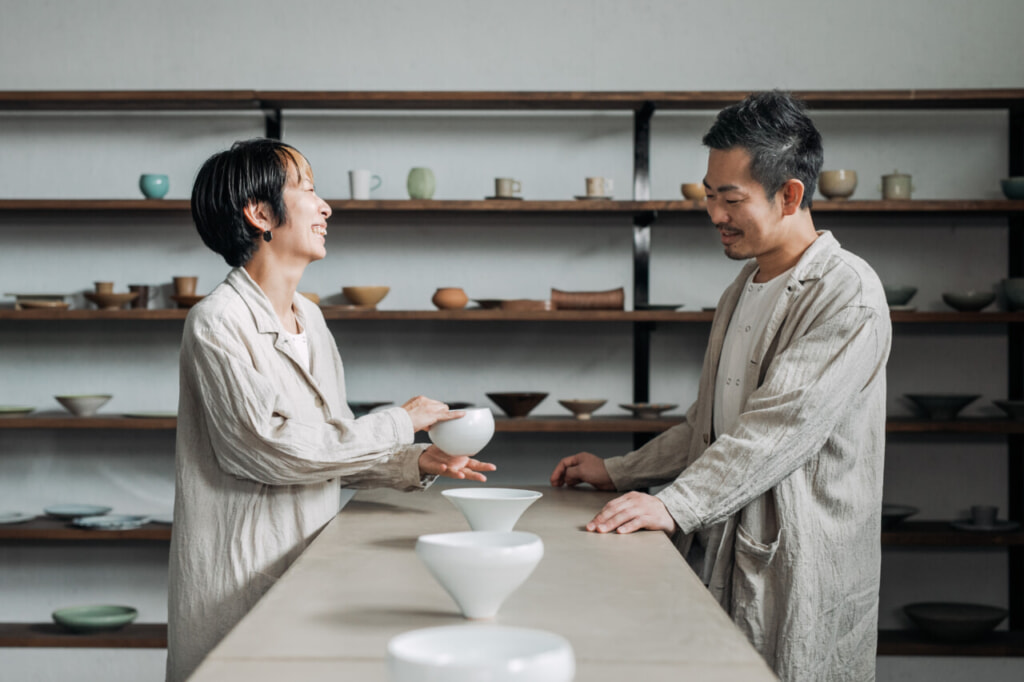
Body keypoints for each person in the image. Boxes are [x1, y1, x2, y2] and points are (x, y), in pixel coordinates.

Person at [550, 91, 891, 681]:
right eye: (710, 196)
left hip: (802, 561)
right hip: (725, 540)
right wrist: (620, 471)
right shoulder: (742, 288)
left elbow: (775, 431)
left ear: (790, 195)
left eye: (731, 199)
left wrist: (673, 503)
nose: (714, 214)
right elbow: (708, 426)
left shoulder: (847, 294)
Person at [166, 138, 495, 682]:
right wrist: (397, 421)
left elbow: (328, 444)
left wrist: (412, 462)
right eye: (308, 190)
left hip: (306, 569)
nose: (326, 207)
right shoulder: (216, 322)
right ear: (259, 212)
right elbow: (268, 452)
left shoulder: (310, 320)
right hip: (239, 579)